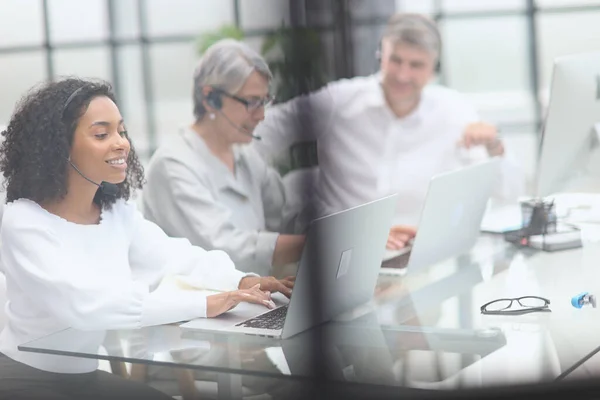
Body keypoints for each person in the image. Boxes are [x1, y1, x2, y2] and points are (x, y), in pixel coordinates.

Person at [0, 78, 294, 399]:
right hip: (23, 379)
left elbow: (173, 256)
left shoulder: (114, 213)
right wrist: (206, 303)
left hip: (83, 378)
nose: (121, 143)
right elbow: (85, 306)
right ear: (59, 146)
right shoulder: (23, 220)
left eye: (121, 131)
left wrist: (242, 280)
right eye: (102, 134)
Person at [252, 13, 526, 250]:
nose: (403, 75)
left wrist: (495, 148)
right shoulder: (341, 100)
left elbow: (509, 193)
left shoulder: (453, 110)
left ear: (434, 69)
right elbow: (257, 133)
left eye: (416, 65)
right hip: (344, 252)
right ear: (380, 54)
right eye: (395, 60)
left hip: (420, 257)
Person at [142, 39, 305, 277]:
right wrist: (312, 244)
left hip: (252, 297)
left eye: (264, 102)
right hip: (203, 307)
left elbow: (283, 214)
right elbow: (224, 249)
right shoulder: (172, 165)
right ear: (210, 99)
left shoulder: (244, 154)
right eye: (251, 102)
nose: (261, 115)